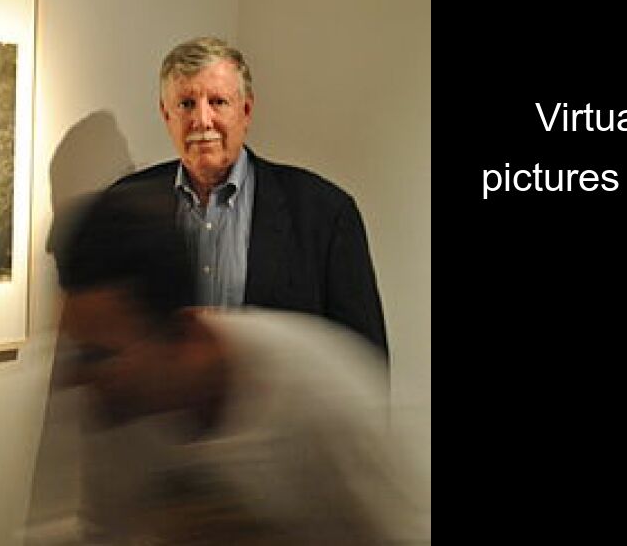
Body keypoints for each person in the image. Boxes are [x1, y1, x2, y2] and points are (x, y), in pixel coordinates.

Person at [52, 184, 421, 544]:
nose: (79, 379)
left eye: (99, 356)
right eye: (78, 352)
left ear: (182, 331)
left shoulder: (326, 396)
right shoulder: (115, 411)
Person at [109, 37, 387, 353]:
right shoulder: (124, 205)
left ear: (246, 110)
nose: (202, 120)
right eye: (186, 104)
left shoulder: (324, 213)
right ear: (165, 114)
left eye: (218, 102)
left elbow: (365, 360)